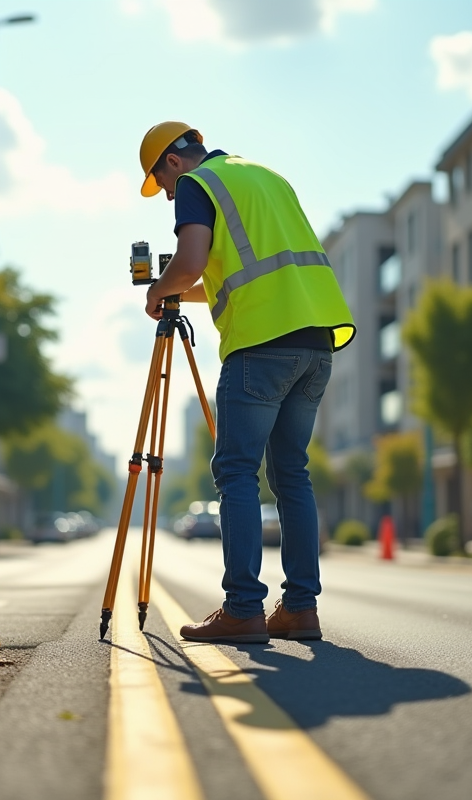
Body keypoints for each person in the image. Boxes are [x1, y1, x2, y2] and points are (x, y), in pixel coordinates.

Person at [139, 121, 356, 644]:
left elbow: (189, 264)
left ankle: (243, 609)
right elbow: (252, 270)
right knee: (291, 475)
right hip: (316, 340)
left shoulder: (197, 184)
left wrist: (155, 294)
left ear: (172, 161)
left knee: (236, 472)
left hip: (261, 343)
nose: (167, 194)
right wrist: (181, 289)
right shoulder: (265, 176)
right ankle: (301, 609)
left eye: (161, 183)